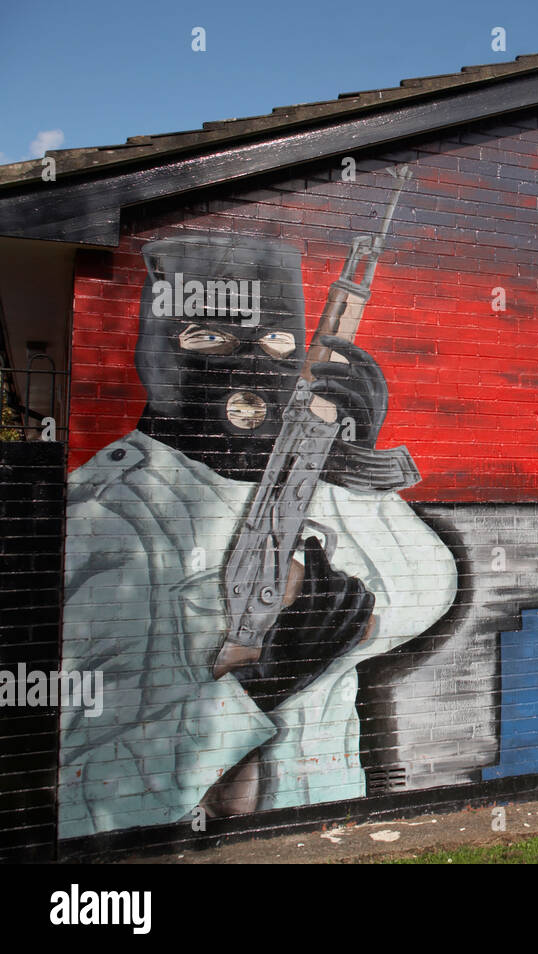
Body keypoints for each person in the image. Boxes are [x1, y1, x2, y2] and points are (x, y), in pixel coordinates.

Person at [58, 233, 455, 839]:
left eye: (277, 342)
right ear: (158, 347)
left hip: (326, 827)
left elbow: (428, 590)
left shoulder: (309, 474)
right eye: (209, 338)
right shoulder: (108, 515)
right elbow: (89, 796)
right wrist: (258, 686)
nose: (250, 365)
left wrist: (353, 465)